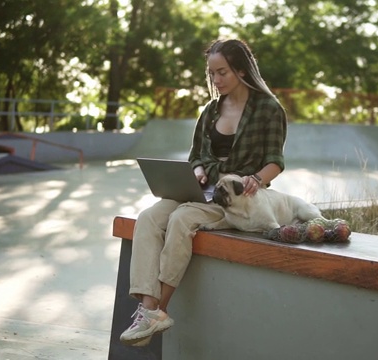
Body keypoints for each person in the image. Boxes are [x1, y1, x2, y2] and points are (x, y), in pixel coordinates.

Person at [119, 39, 288, 346]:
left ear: (241, 69)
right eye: (212, 74)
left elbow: (275, 160)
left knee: (182, 218)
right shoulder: (210, 110)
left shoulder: (268, 109)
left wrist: (257, 179)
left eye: (222, 72)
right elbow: (196, 155)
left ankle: (158, 309)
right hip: (200, 190)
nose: (217, 80)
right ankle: (148, 309)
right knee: (148, 218)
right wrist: (196, 171)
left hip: (234, 200)